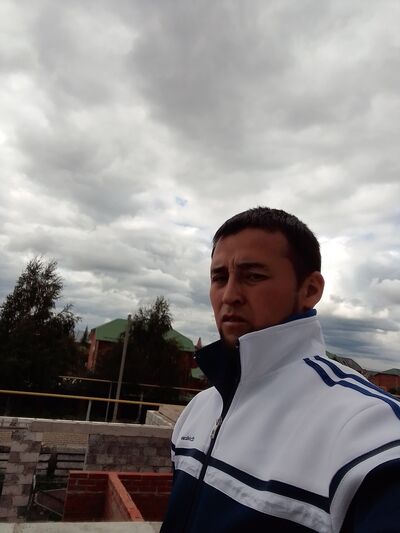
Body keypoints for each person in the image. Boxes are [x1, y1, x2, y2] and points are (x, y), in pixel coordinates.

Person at [161, 207, 400, 532]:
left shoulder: (366, 429)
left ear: (310, 290)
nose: (229, 296)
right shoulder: (198, 410)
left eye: (253, 276)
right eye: (219, 278)